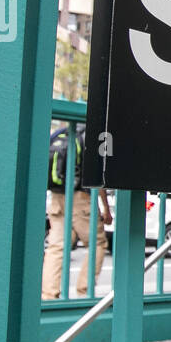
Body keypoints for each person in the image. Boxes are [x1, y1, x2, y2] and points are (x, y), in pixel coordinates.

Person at [42, 126, 112, 299]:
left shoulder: (62, 132)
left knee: (56, 247)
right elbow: (97, 178)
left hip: (57, 197)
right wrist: (106, 208)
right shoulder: (94, 136)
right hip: (80, 198)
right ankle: (84, 292)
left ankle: (49, 295)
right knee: (97, 243)